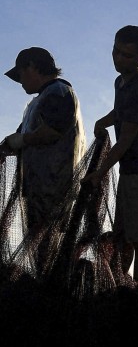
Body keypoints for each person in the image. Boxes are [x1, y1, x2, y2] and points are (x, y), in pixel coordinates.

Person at [84, 26, 138, 284]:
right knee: (123, 235)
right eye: (116, 52)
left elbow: (125, 141)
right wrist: (104, 120)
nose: (119, 59)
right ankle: (121, 280)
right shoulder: (121, 82)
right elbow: (120, 111)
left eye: (127, 56)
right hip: (129, 171)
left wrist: (100, 172)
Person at [0, 47, 85, 255]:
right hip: (36, 187)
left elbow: (53, 130)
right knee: (38, 246)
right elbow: (19, 139)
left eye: (20, 75)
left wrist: (21, 140)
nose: (20, 82)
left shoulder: (59, 92)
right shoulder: (35, 104)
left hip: (54, 187)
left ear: (31, 67)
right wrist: (7, 146)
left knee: (48, 244)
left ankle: (52, 286)